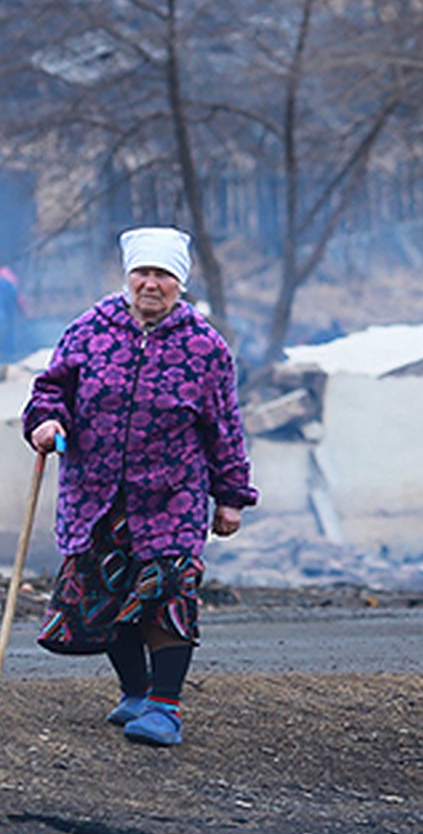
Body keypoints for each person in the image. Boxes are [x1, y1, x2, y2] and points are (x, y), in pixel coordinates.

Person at [22, 225, 258, 746]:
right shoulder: (89, 330)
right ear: (128, 277)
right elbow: (51, 389)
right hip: (96, 491)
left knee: (168, 592)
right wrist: (45, 422)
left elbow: (223, 425)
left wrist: (232, 496)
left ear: (180, 283)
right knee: (108, 595)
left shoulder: (205, 347)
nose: (151, 284)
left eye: (163, 275)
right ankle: (136, 692)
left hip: (173, 494)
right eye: (143, 273)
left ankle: (166, 709)